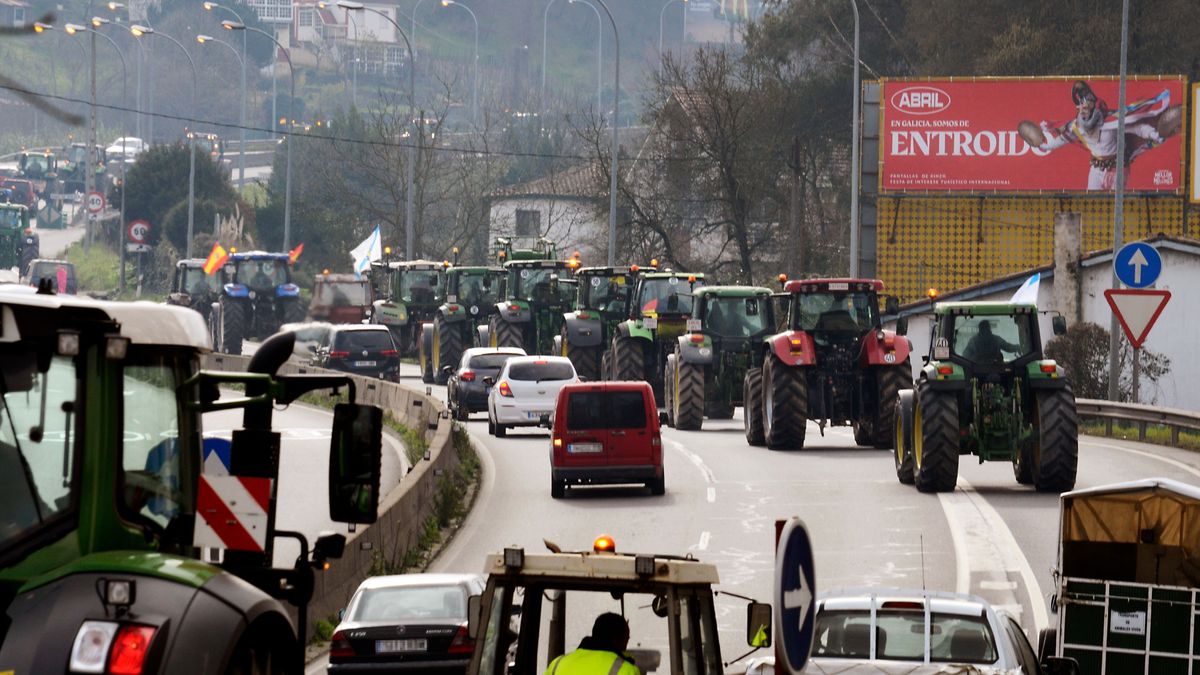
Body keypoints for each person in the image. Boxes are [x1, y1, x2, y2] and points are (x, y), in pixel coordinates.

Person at [1031, 80, 1174, 191]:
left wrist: (1154, 134)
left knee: (1116, 208)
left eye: (1087, 106)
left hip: (1118, 169)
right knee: (1092, 205)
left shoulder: (1112, 121)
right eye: (1081, 107)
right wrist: (1044, 146)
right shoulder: (1077, 127)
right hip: (1096, 170)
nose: (1084, 110)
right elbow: (1060, 140)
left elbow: (1137, 127)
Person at [544, 612, 640, 675]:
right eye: (627, 639)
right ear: (617, 639)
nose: (626, 646)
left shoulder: (556, 664)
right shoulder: (628, 670)